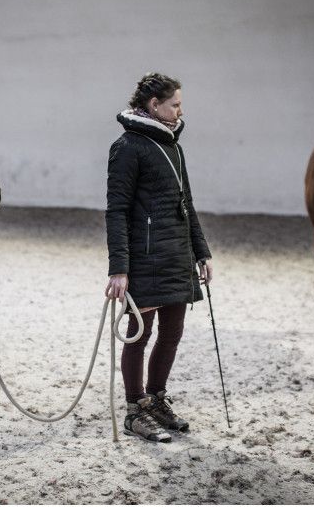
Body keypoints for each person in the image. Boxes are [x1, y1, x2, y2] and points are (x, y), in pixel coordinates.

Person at [105, 72, 213, 443]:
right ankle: (136, 408)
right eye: (175, 104)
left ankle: (156, 399)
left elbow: (188, 204)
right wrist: (119, 268)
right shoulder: (127, 147)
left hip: (176, 256)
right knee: (140, 334)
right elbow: (116, 211)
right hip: (145, 259)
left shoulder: (174, 146)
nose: (181, 109)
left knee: (171, 333)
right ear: (154, 105)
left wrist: (202, 252)